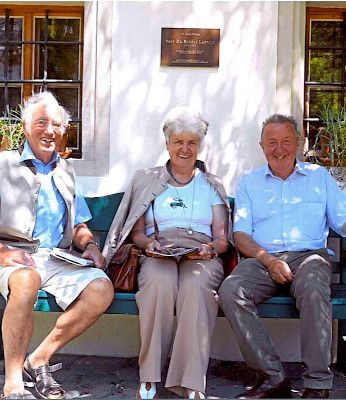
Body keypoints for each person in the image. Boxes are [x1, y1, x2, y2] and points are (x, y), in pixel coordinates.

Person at [218, 114, 346, 399]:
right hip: (263, 259)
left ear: (299, 143)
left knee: (315, 287)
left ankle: (318, 384)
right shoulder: (250, 183)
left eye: (285, 141)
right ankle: (272, 377)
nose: (279, 149)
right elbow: (240, 235)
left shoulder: (318, 178)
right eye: (272, 142)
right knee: (231, 289)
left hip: (310, 258)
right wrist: (268, 260)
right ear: (261, 146)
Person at [103, 107, 230, 400]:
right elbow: (134, 232)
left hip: (201, 253)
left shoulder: (212, 185)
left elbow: (222, 239)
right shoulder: (147, 180)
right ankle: (149, 375)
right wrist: (147, 245)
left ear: (199, 146)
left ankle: (190, 380)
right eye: (178, 142)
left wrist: (210, 249)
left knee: (197, 287)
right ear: (167, 144)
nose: (185, 149)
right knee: (159, 284)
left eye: (192, 143)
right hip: (158, 250)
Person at [0, 92, 114, 399]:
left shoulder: (66, 170)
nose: (49, 130)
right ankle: (12, 381)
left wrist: (89, 245)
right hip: (12, 259)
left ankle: (38, 358)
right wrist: (3, 252)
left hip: (57, 258)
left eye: (56, 124)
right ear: (25, 126)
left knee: (102, 289)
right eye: (41, 122)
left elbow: (78, 225)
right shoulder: (3, 166)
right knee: (26, 279)